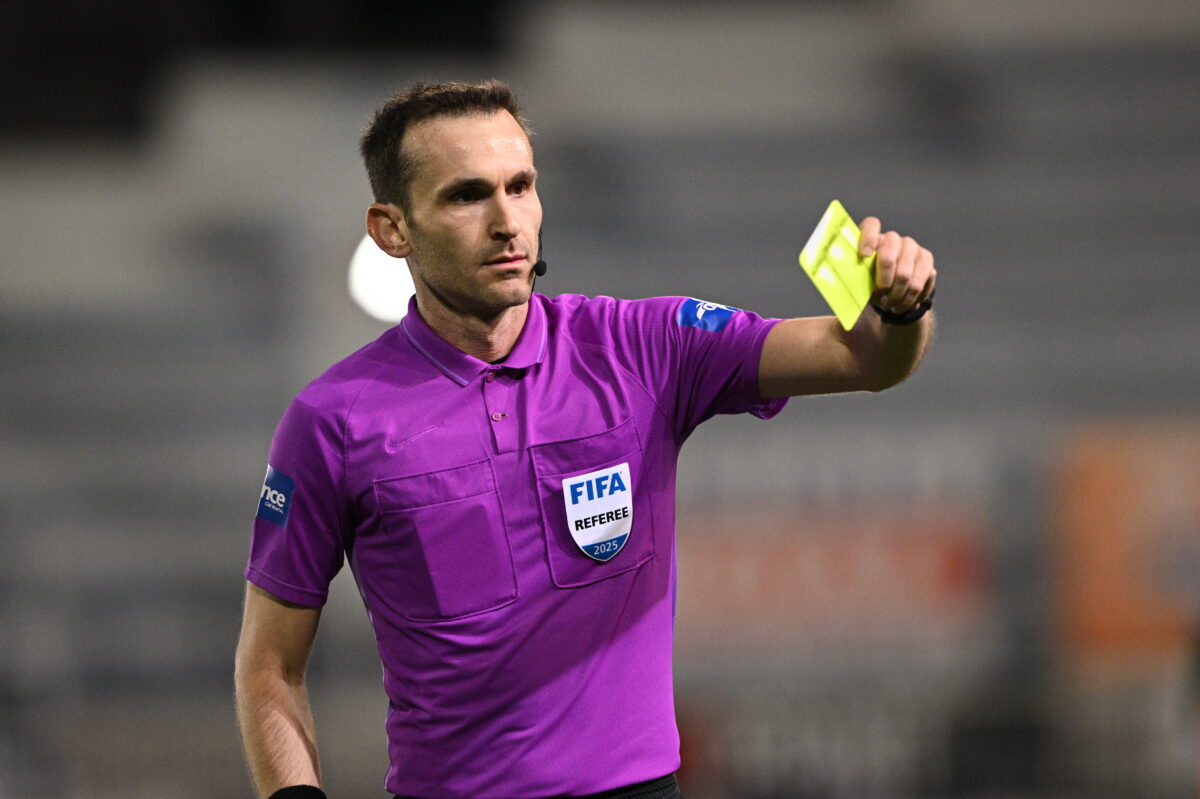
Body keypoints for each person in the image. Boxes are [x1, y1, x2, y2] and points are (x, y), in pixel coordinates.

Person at [234, 80, 936, 799]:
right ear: (392, 229)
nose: (507, 221)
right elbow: (271, 666)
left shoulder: (645, 346)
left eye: (520, 186)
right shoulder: (332, 422)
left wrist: (899, 310)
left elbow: (865, 359)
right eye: (467, 195)